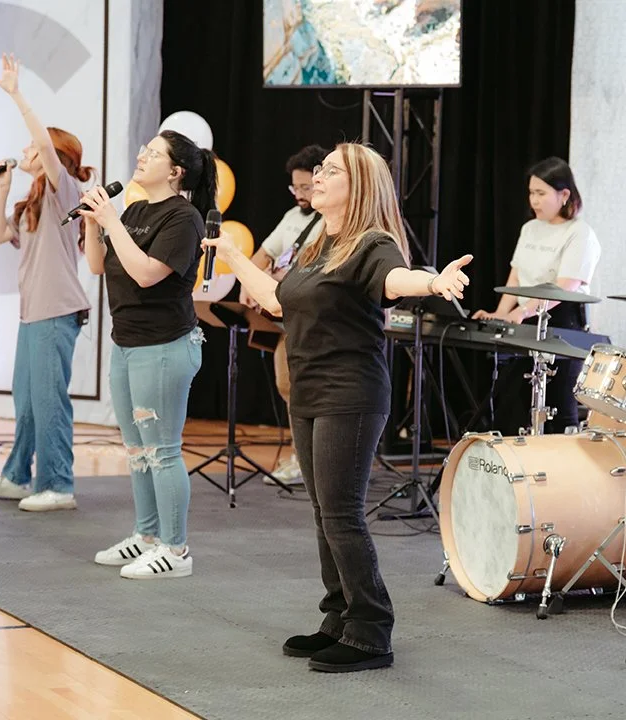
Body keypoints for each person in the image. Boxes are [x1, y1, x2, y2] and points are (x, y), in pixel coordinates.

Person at [204, 143, 472, 672]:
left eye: (331, 171)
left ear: (359, 186)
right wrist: (231, 255)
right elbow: (277, 300)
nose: (319, 176)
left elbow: (396, 280)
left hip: (350, 393)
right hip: (309, 392)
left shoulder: (373, 244)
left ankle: (371, 630)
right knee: (323, 511)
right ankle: (339, 617)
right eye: (320, 168)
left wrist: (434, 282)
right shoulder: (318, 240)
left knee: (342, 512)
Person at [77, 130, 216, 580]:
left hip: (163, 347)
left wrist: (111, 221)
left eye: (153, 153)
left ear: (175, 171)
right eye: (144, 149)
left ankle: (176, 550)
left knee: (163, 451)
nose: (142, 156)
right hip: (127, 343)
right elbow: (98, 264)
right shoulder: (135, 210)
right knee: (137, 450)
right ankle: (147, 535)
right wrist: (93, 223)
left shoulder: (184, 218)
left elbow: (145, 274)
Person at [0, 53, 92, 511]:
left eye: (33, 150)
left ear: (50, 158)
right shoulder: (34, 203)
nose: (25, 151)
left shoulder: (66, 192)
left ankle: (58, 484)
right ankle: (17, 476)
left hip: (56, 312)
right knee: (26, 400)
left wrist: (17, 94)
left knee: (49, 401)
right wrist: (2, 189)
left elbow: (42, 142)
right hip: (32, 314)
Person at [473, 156, 600, 434]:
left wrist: (522, 312)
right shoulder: (529, 229)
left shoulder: (580, 233)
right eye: (531, 193)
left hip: (561, 322)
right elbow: (516, 276)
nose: (534, 201)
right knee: (514, 405)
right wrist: (501, 314)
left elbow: (565, 287)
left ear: (564, 195)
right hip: (526, 319)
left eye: (541, 193)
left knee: (558, 406)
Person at [240, 144, 328, 487]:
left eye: (306, 187)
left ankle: (310, 459)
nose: (300, 194)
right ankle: (300, 455)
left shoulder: (331, 221)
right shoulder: (292, 217)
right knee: (286, 384)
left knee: (308, 388)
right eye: (295, 187)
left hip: (314, 319)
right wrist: (250, 281)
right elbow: (263, 254)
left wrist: (279, 278)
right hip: (284, 317)